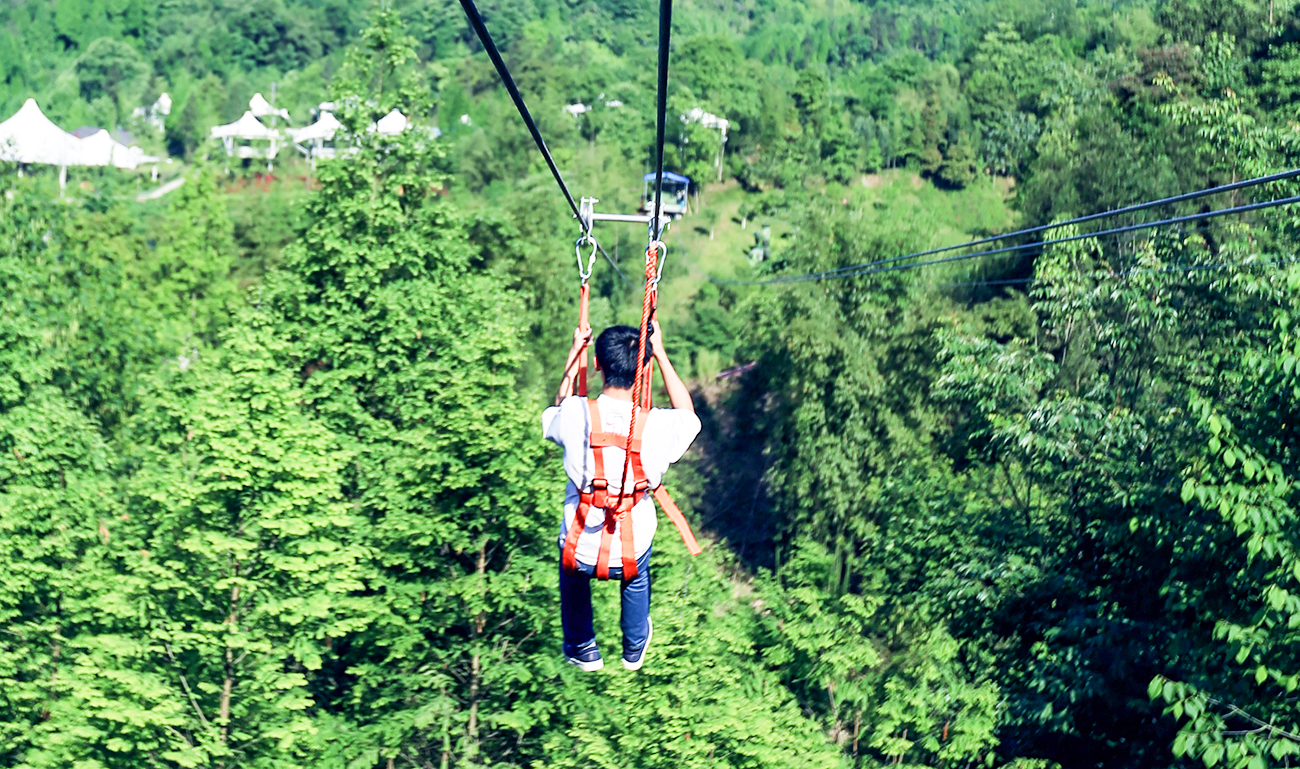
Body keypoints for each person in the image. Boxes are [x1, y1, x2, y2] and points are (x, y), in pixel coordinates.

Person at [541, 319, 700, 672]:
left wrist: (574, 353)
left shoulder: (575, 414)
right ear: (643, 368)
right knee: (636, 576)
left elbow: (555, 411)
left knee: (571, 572)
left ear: (597, 364)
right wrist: (660, 354)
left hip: (579, 544)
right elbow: (689, 417)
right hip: (630, 547)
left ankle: (582, 645)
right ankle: (634, 644)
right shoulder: (656, 426)